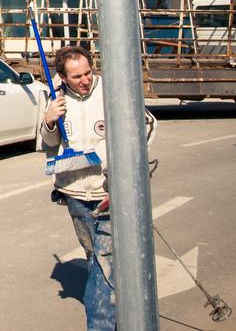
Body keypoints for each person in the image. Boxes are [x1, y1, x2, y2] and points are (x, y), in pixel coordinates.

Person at [41, 45, 155, 331]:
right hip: (76, 196)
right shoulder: (55, 98)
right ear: (63, 77)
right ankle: (124, 309)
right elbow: (49, 145)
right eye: (77, 76)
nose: (85, 80)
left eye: (88, 72)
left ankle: (101, 325)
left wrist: (111, 159)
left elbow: (148, 126)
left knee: (103, 265)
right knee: (96, 260)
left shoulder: (111, 91)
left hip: (107, 192)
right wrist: (49, 120)